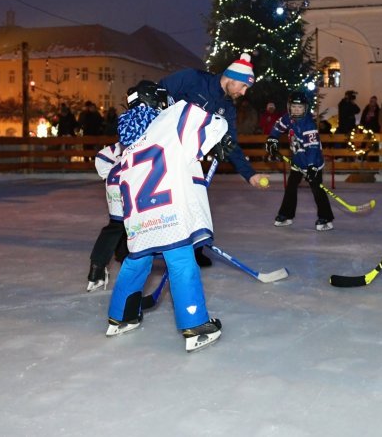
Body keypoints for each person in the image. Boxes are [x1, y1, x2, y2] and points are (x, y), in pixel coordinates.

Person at [104, 80, 234, 352]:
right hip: (169, 213)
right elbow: (214, 122)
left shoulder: (128, 143)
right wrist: (218, 139)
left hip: (138, 217)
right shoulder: (171, 119)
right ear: (156, 100)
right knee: (182, 262)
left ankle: (120, 317)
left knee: (135, 262)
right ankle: (195, 326)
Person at [159, 53, 268, 267]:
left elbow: (231, 143)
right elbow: (158, 92)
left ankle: (195, 249)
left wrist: (250, 175)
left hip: (189, 159)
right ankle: (129, 245)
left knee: (196, 202)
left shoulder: (227, 108)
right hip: (163, 150)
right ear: (230, 78)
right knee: (152, 201)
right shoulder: (193, 78)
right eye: (243, 87)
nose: (243, 92)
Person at [86, 82, 170, 293]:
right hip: (135, 181)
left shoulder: (127, 122)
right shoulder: (153, 121)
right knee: (146, 224)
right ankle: (140, 264)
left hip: (116, 180)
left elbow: (103, 156)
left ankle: (97, 269)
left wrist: (110, 176)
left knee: (117, 226)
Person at [266, 92, 335, 231]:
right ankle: (286, 215)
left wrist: (312, 167)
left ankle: (326, 217)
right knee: (291, 187)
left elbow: (313, 149)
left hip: (313, 162)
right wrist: (272, 139)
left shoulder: (308, 125)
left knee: (317, 190)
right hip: (297, 161)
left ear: (305, 108)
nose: (297, 110)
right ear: (289, 107)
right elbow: (278, 127)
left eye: (300, 107)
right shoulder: (288, 119)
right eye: (294, 107)